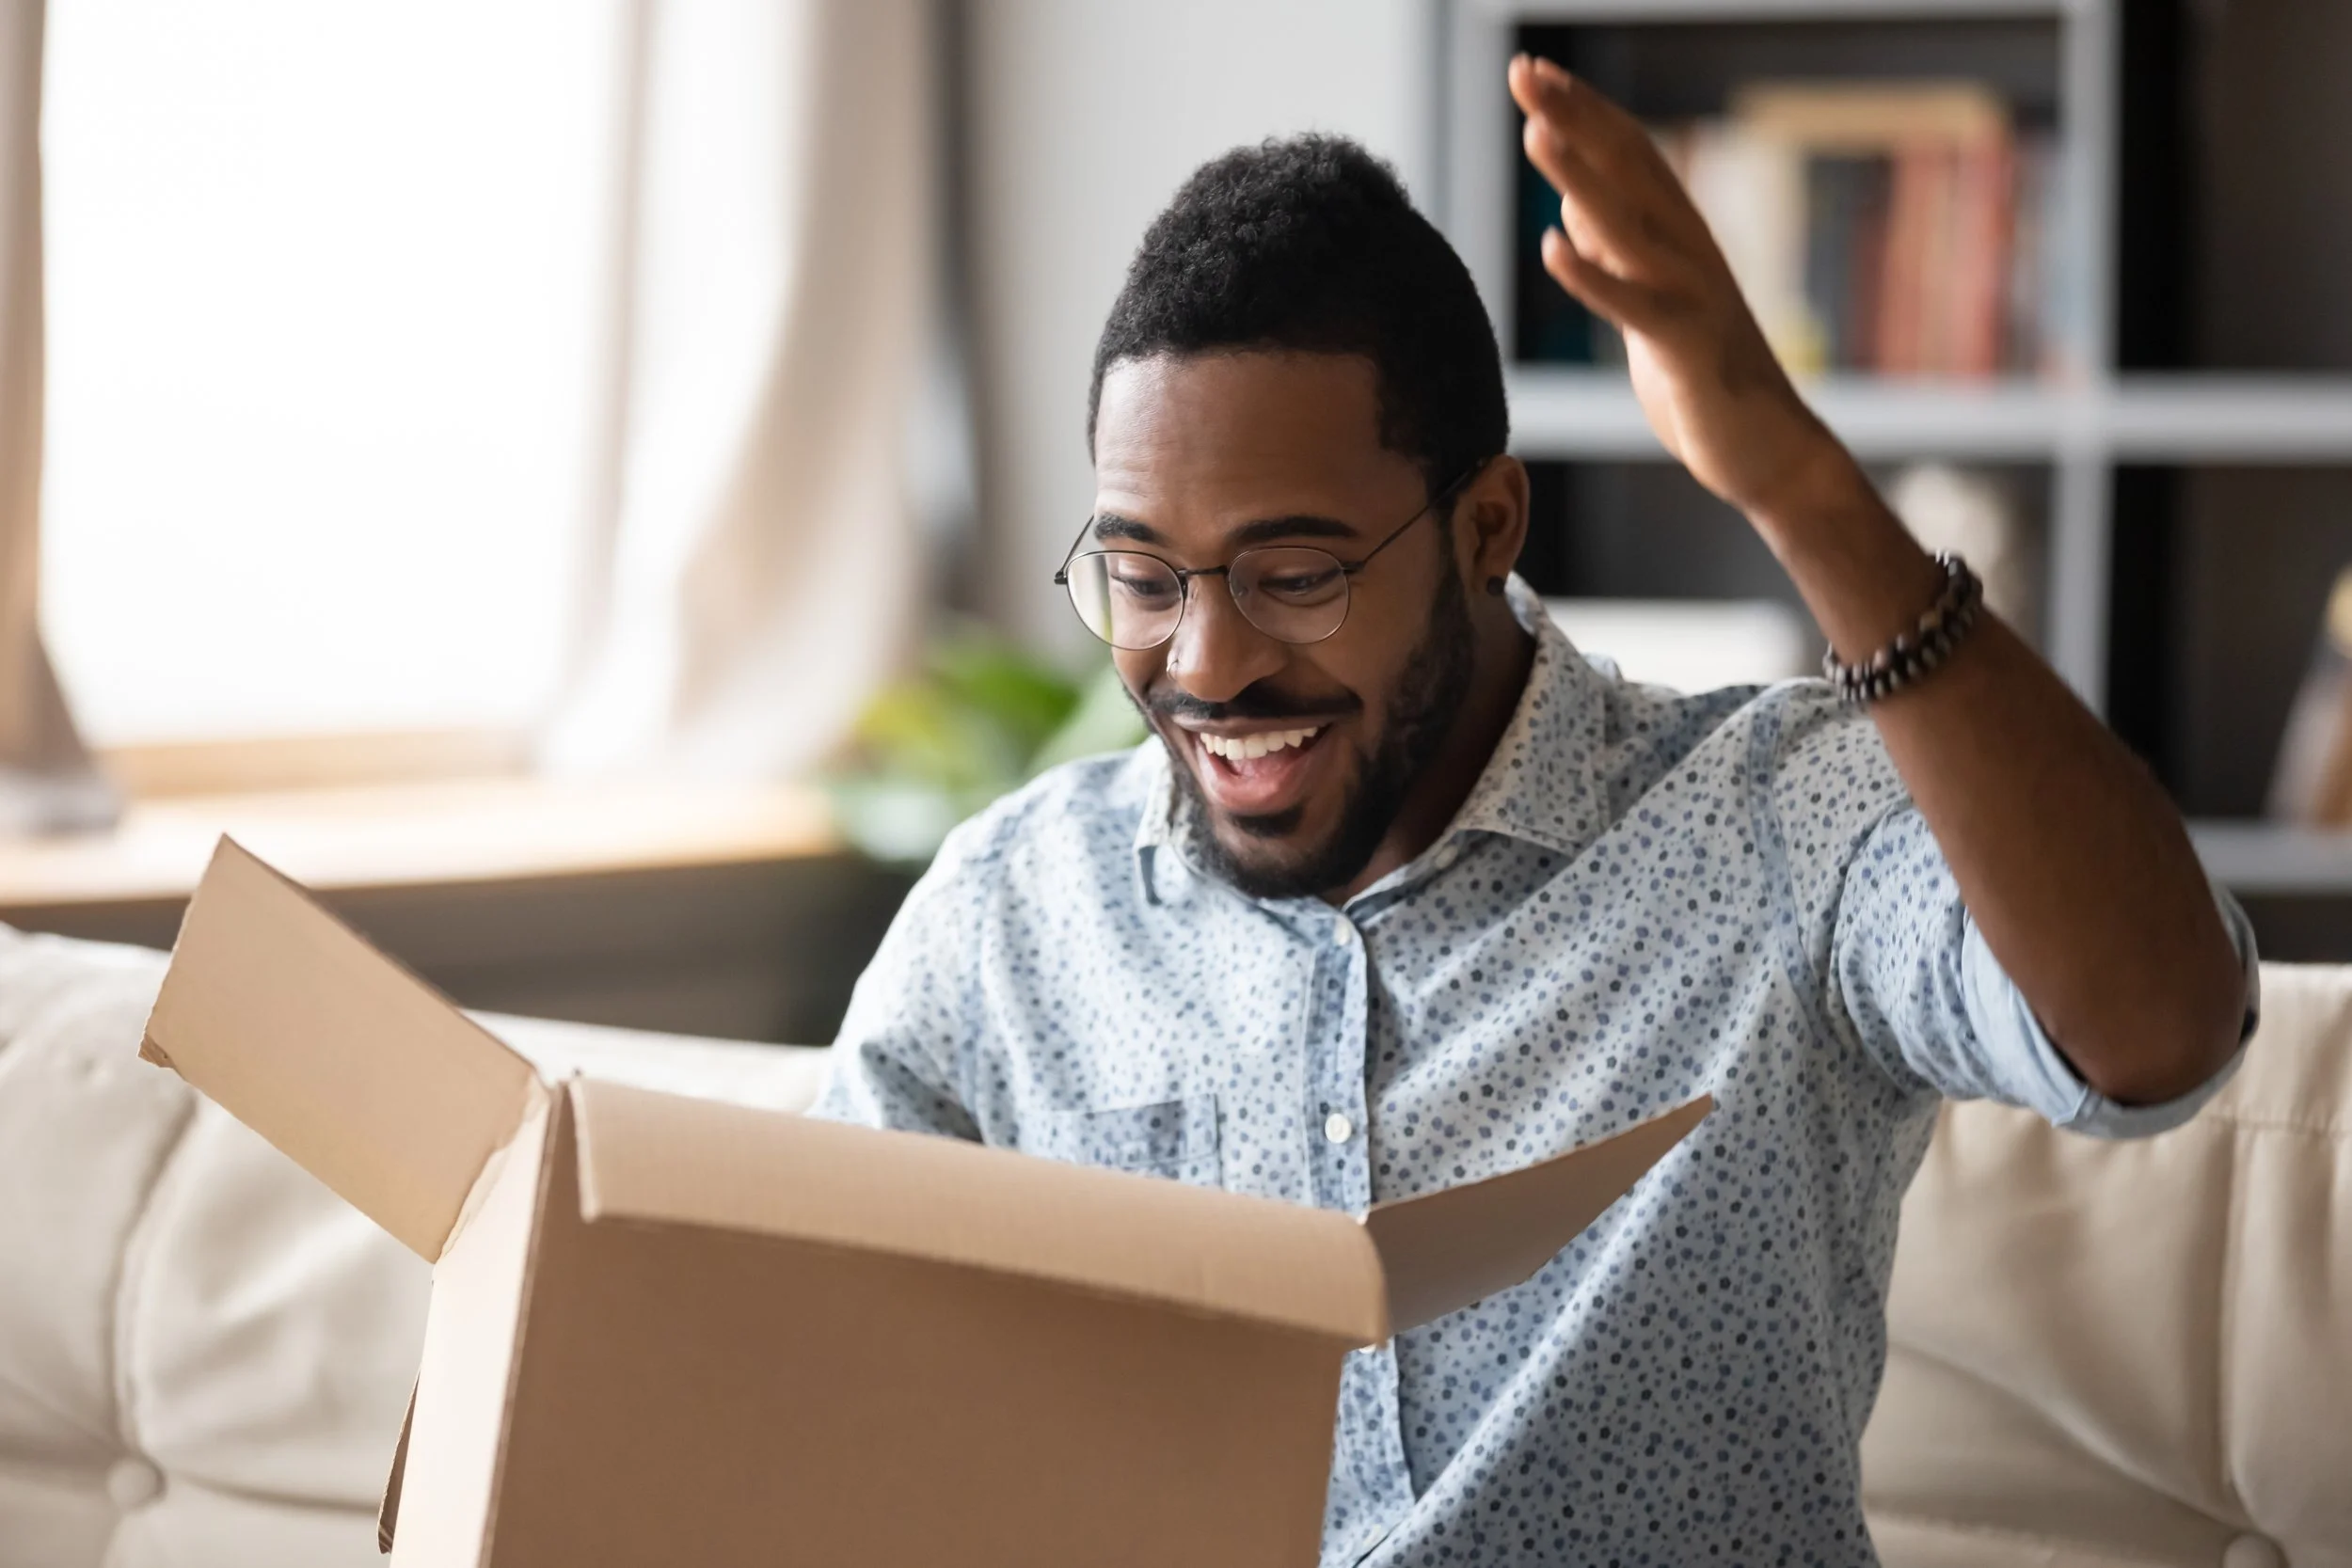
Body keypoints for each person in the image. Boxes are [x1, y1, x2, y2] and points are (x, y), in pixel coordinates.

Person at [813, 54, 2256, 1568]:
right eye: (1146, 576)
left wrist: (1795, 481)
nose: (1208, 663)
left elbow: (2157, 1029)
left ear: (1487, 526)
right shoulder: (1015, 915)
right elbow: (802, 1365)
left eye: (1296, 575)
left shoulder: (1777, 821)